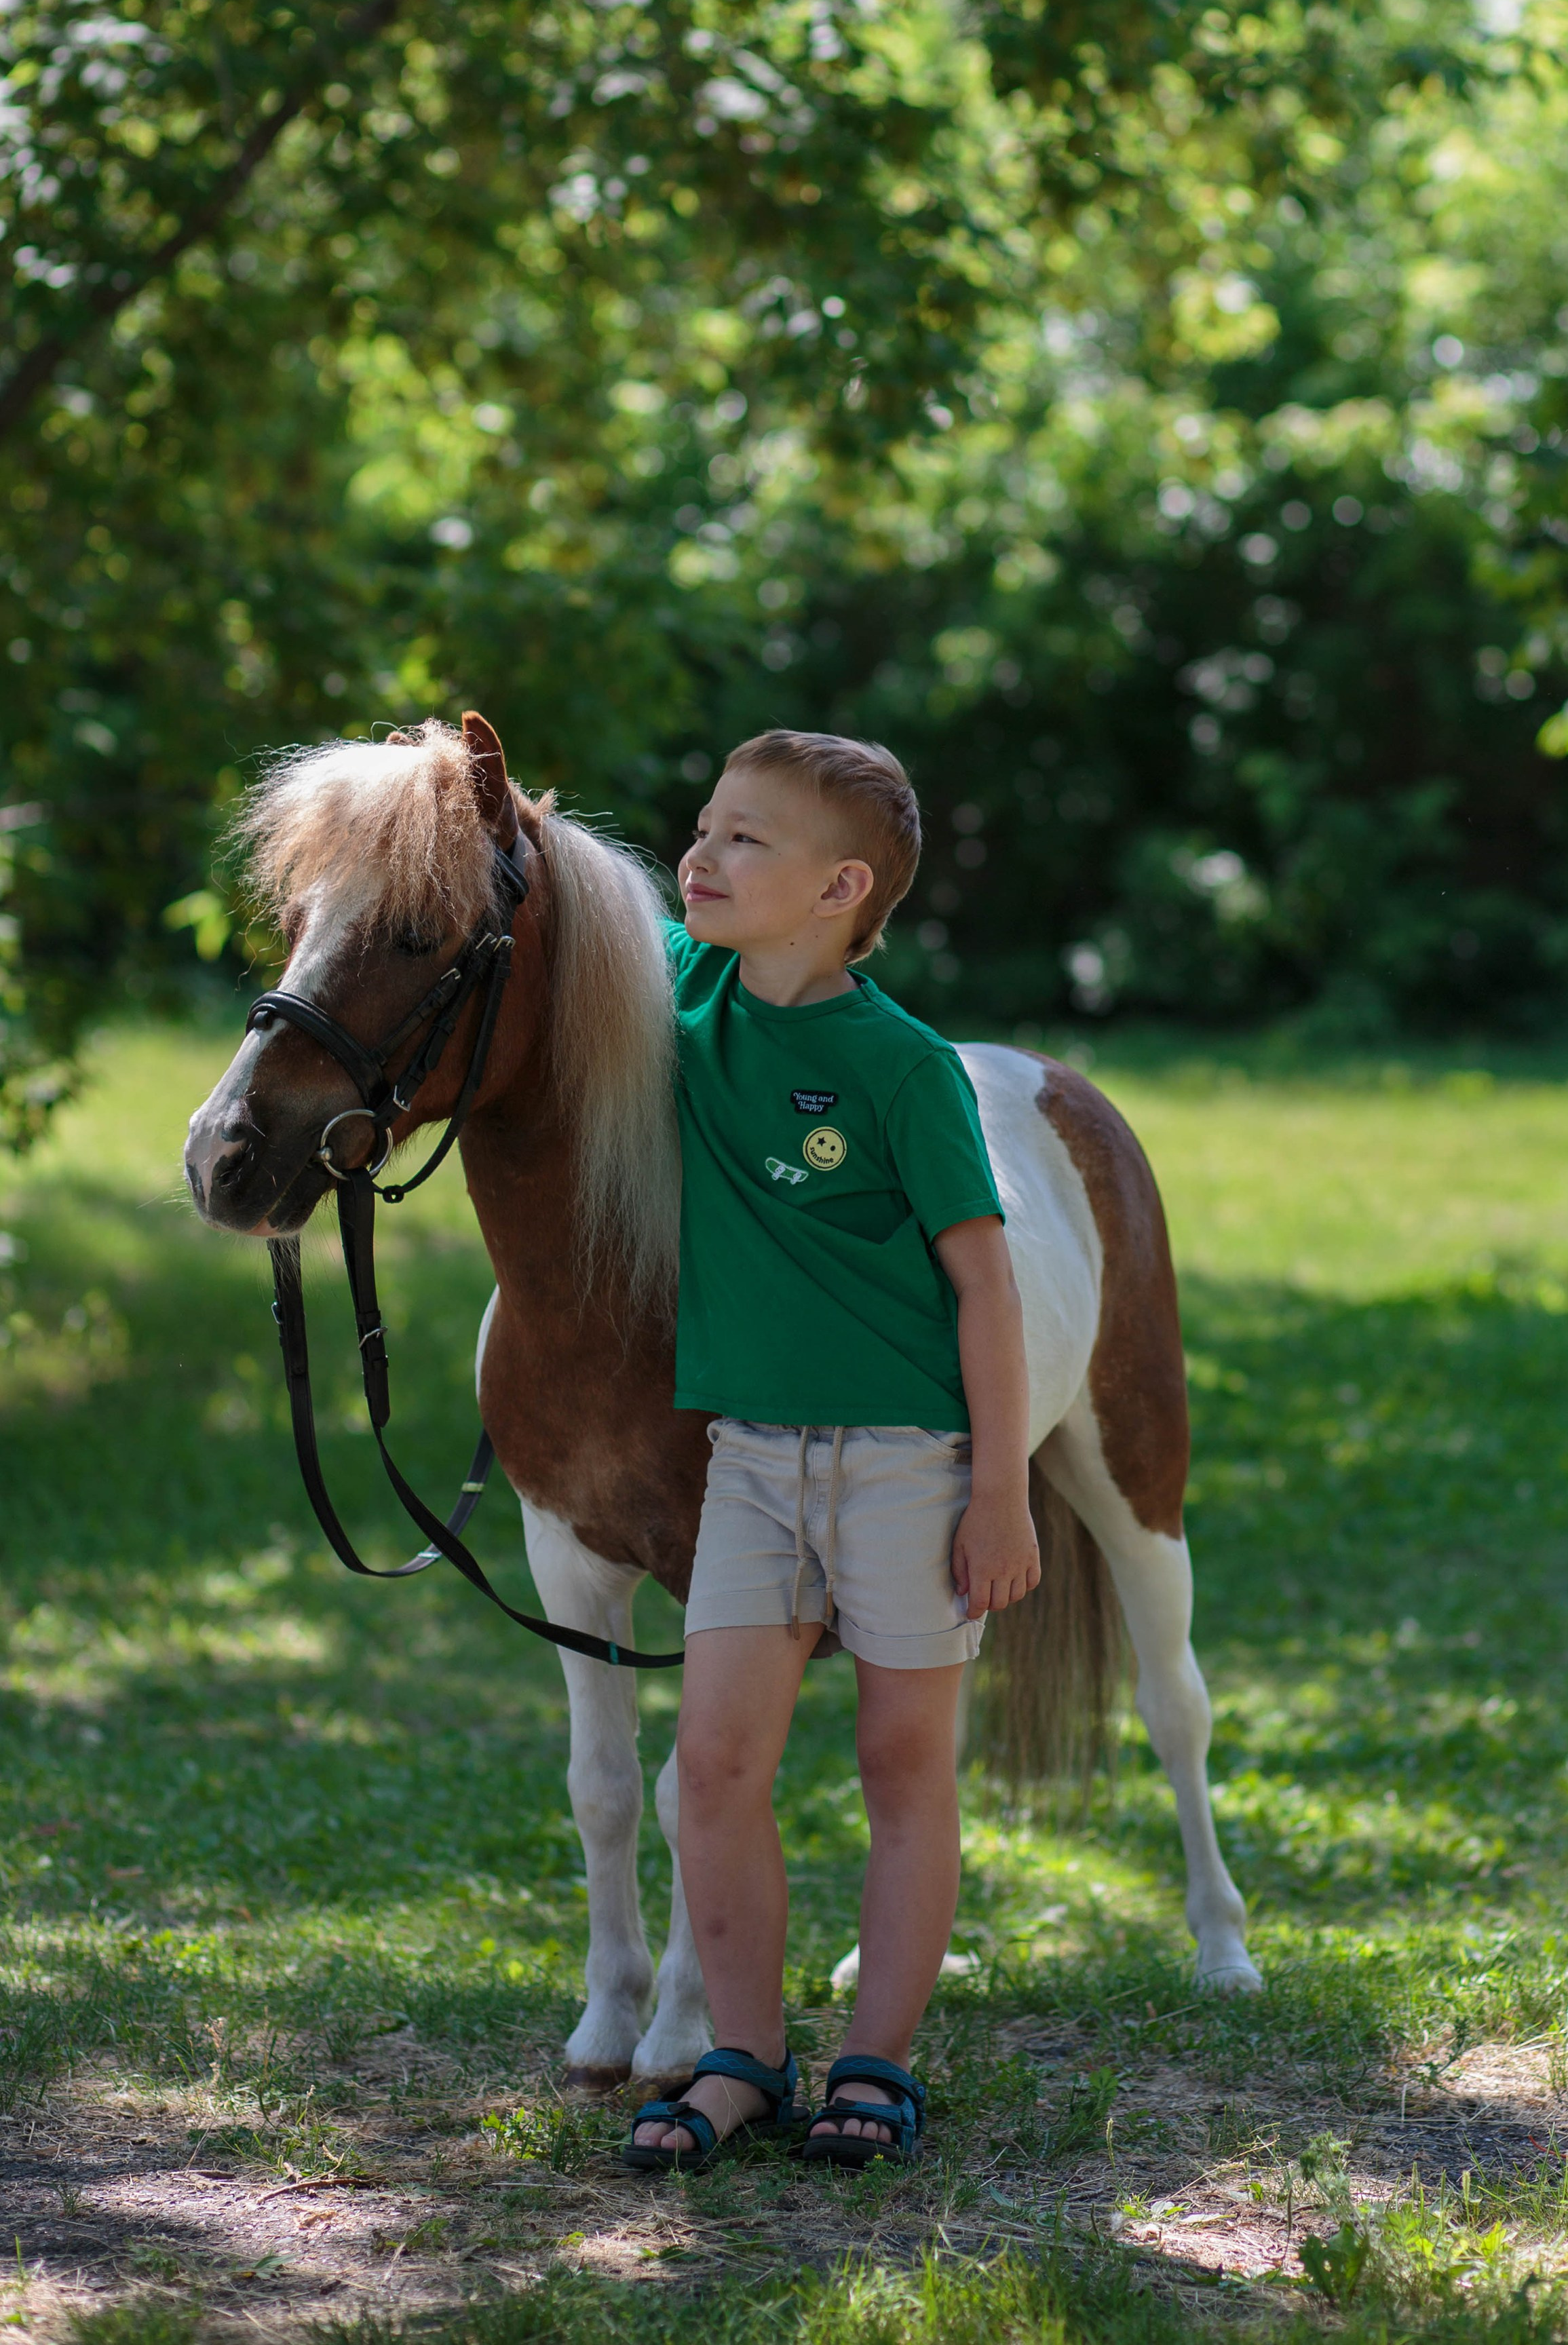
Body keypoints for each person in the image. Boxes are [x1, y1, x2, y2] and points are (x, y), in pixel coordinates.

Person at [623, 729, 1039, 2173]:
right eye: (702, 827)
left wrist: (998, 1488)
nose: (699, 856)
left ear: (838, 886)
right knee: (715, 1759)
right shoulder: (684, 995)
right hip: (748, 1460)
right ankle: (741, 2052)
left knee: (898, 1760)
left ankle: (876, 2063)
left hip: (905, 1461)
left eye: (743, 838)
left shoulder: (902, 1065)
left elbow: (982, 1282)